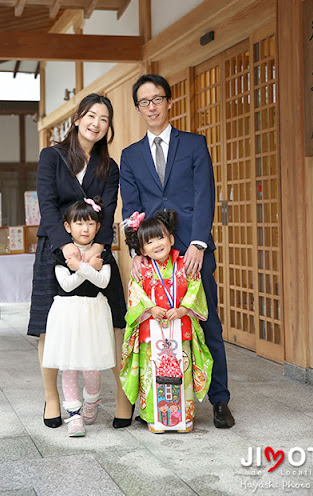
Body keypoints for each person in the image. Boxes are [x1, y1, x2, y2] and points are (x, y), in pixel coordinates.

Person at [120, 74, 235, 428]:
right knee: (153, 332)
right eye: (144, 102)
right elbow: (132, 208)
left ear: (169, 102)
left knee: (206, 324)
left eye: (157, 99)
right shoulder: (130, 155)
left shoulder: (195, 144)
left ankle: (219, 401)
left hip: (191, 251)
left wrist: (198, 243)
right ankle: (155, 403)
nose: (151, 107)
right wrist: (137, 252)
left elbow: (205, 195)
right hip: (153, 254)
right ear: (138, 108)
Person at [27, 93, 131, 430]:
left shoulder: (109, 167)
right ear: (77, 118)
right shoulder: (52, 157)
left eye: (104, 119)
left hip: (97, 250)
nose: (96, 124)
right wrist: (66, 246)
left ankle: (123, 398)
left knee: (115, 320)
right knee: (48, 323)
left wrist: (98, 248)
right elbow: (47, 202)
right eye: (91, 116)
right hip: (55, 248)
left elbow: (111, 209)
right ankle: (52, 398)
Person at [120, 210, 213, 433]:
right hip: (152, 331)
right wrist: (150, 308)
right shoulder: (141, 270)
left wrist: (183, 309)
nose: (156, 244)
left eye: (160, 237)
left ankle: (184, 418)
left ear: (171, 239)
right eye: (149, 242)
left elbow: (195, 287)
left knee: (184, 372)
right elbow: (135, 293)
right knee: (152, 374)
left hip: (180, 328)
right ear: (141, 250)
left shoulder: (184, 265)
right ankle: (155, 418)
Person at [42, 197, 115, 437]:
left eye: (91, 224)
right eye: (80, 224)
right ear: (67, 227)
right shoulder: (62, 253)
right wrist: (86, 267)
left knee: (92, 366)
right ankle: (74, 414)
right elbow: (67, 284)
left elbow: (103, 281)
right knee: (69, 366)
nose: (85, 229)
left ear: (98, 226)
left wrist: (82, 267)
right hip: (67, 313)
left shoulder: (103, 252)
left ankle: (91, 402)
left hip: (94, 312)